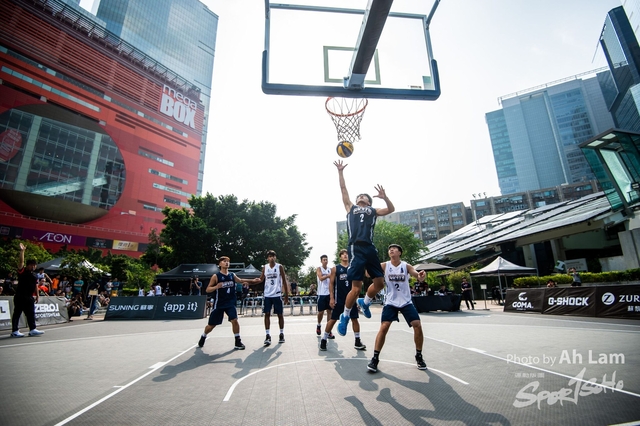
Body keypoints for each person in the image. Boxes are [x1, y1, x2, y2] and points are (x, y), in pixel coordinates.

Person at [334, 160, 395, 336]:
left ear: (368, 201)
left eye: (364, 196)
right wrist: (340, 172)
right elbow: (343, 189)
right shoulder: (351, 208)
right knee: (356, 287)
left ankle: (365, 302)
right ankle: (345, 316)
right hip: (356, 248)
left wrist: (385, 197)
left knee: (380, 283)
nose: (361, 197)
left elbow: (391, 209)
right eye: (359, 196)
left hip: (370, 248)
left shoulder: (373, 210)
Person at [367, 244, 426, 373]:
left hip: (406, 301)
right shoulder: (384, 265)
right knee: (384, 327)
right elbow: (368, 273)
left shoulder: (405, 266)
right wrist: (367, 265)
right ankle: (375, 358)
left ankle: (419, 356)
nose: (391, 250)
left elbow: (417, 275)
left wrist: (421, 276)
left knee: (417, 325)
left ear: (399, 253)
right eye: (390, 249)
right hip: (391, 301)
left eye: (394, 249)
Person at [198, 256, 260, 350]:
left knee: (234, 320)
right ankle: (204, 335)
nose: (226, 263)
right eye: (224, 261)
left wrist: (252, 281)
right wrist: (216, 287)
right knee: (211, 325)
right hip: (219, 303)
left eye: (228, 261)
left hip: (230, 302)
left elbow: (241, 281)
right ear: (220, 264)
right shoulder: (216, 276)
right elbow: (208, 289)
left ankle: (237, 341)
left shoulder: (232, 275)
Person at [320, 249, 366, 351]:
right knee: (333, 319)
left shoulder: (353, 268)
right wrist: (331, 298)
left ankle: (357, 341)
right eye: (343, 254)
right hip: (339, 299)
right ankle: (324, 339)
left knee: (354, 319)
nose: (345, 255)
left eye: (347, 254)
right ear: (340, 256)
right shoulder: (335, 269)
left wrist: (357, 298)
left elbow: (357, 285)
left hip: (351, 299)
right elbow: (331, 284)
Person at [10, 243, 45, 337]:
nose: (33, 267)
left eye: (35, 265)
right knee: (17, 313)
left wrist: (37, 295)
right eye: (31, 265)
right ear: (28, 265)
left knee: (31, 313)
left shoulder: (34, 275)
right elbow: (21, 262)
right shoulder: (22, 271)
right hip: (20, 296)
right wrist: (22, 251)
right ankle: (15, 331)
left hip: (29, 297)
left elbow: (36, 285)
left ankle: (32, 329)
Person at [257, 250, 289, 346]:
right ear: (267, 258)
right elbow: (260, 279)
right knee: (267, 314)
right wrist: (250, 281)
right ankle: (267, 335)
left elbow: (284, 280)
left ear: (275, 257)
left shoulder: (279, 267)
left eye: (273, 256)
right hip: (267, 294)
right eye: (270, 256)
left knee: (280, 314)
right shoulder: (265, 267)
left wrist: (286, 295)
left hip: (277, 294)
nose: (271, 258)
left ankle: (281, 333)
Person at [315, 255, 334, 339]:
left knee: (329, 311)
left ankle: (328, 330)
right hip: (321, 293)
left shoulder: (330, 269)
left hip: (329, 293)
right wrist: (328, 276)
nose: (325, 261)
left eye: (326, 259)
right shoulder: (319, 269)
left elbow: (333, 280)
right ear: (321, 261)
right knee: (321, 312)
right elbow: (321, 278)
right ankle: (319, 325)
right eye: (324, 260)